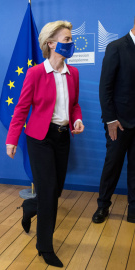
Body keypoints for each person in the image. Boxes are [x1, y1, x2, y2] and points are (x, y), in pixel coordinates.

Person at [6, 21, 84, 268]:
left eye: (71, 39)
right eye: (67, 39)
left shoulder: (74, 74)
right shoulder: (35, 73)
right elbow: (21, 108)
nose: (71, 43)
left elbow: (74, 105)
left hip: (62, 138)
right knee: (49, 193)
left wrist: (78, 118)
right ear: (51, 44)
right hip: (39, 139)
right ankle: (45, 247)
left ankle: (30, 206)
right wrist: (12, 139)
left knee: (55, 190)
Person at [92, 20, 135, 224]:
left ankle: (134, 209)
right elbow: (105, 87)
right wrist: (110, 119)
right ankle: (103, 206)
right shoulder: (116, 47)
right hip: (118, 123)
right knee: (113, 165)